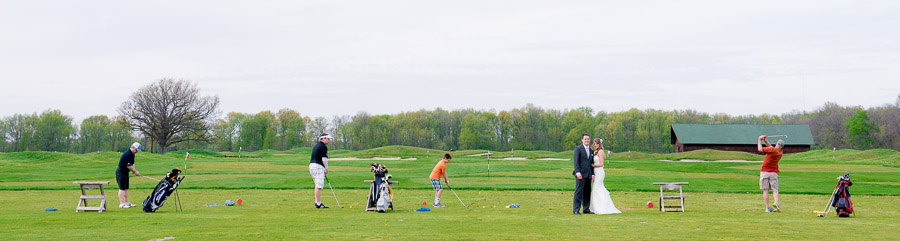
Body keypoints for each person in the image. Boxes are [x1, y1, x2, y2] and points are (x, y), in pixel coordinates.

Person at [589, 138, 621, 214]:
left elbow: (601, 164)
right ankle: (595, 207)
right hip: (596, 172)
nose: (595, 145)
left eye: (597, 144)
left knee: (597, 188)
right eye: (594, 143)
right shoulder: (595, 152)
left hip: (599, 172)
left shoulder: (600, 152)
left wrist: (592, 165)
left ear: (599, 144)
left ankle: (602, 207)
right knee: (596, 189)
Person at [758, 135, 785, 212]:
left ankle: (767, 207)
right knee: (775, 190)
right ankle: (776, 202)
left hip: (764, 172)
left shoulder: (772, 150)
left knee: (765, 190)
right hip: (773, 173)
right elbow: (770, 146)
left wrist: (759, 139)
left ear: (776, 143)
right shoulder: (780, 152)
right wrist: (765, 140)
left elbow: (760, 149)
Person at [572, 133, 594, 215]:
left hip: (588, 175)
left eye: (588, 139)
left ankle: (586, 209)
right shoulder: (578, 149)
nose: (587, 140)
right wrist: (578, 172)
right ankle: (576, 210)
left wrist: (592, 174)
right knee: (578, 192)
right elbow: (576, 162)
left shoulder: (591, 151)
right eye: (585, 139)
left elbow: (591, 164)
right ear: (582, 140)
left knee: (587, 192)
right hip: (580, 174)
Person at [116, 142, 142, 208]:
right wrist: (135, 171)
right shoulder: (127, 154)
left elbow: (132, 164)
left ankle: (126, 202)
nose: (137, 152)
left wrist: (134, 171)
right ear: (133, 148)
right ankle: (121, 204)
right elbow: (128, 166)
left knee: (126, 188)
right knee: (122, 188)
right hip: (121, 171)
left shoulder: (132, 154)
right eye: (136, 150)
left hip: (125, 172)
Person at [310, 133, 332, 209]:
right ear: (323, 138)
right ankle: (318, 203)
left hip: (312, 166)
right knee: (319, 185)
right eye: (328, 139)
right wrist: (326, 168)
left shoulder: (316, 145)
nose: (329, 140)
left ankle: (317, 202)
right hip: (318, 166)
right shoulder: (323, 146)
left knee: (317, 185)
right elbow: (324, 159)